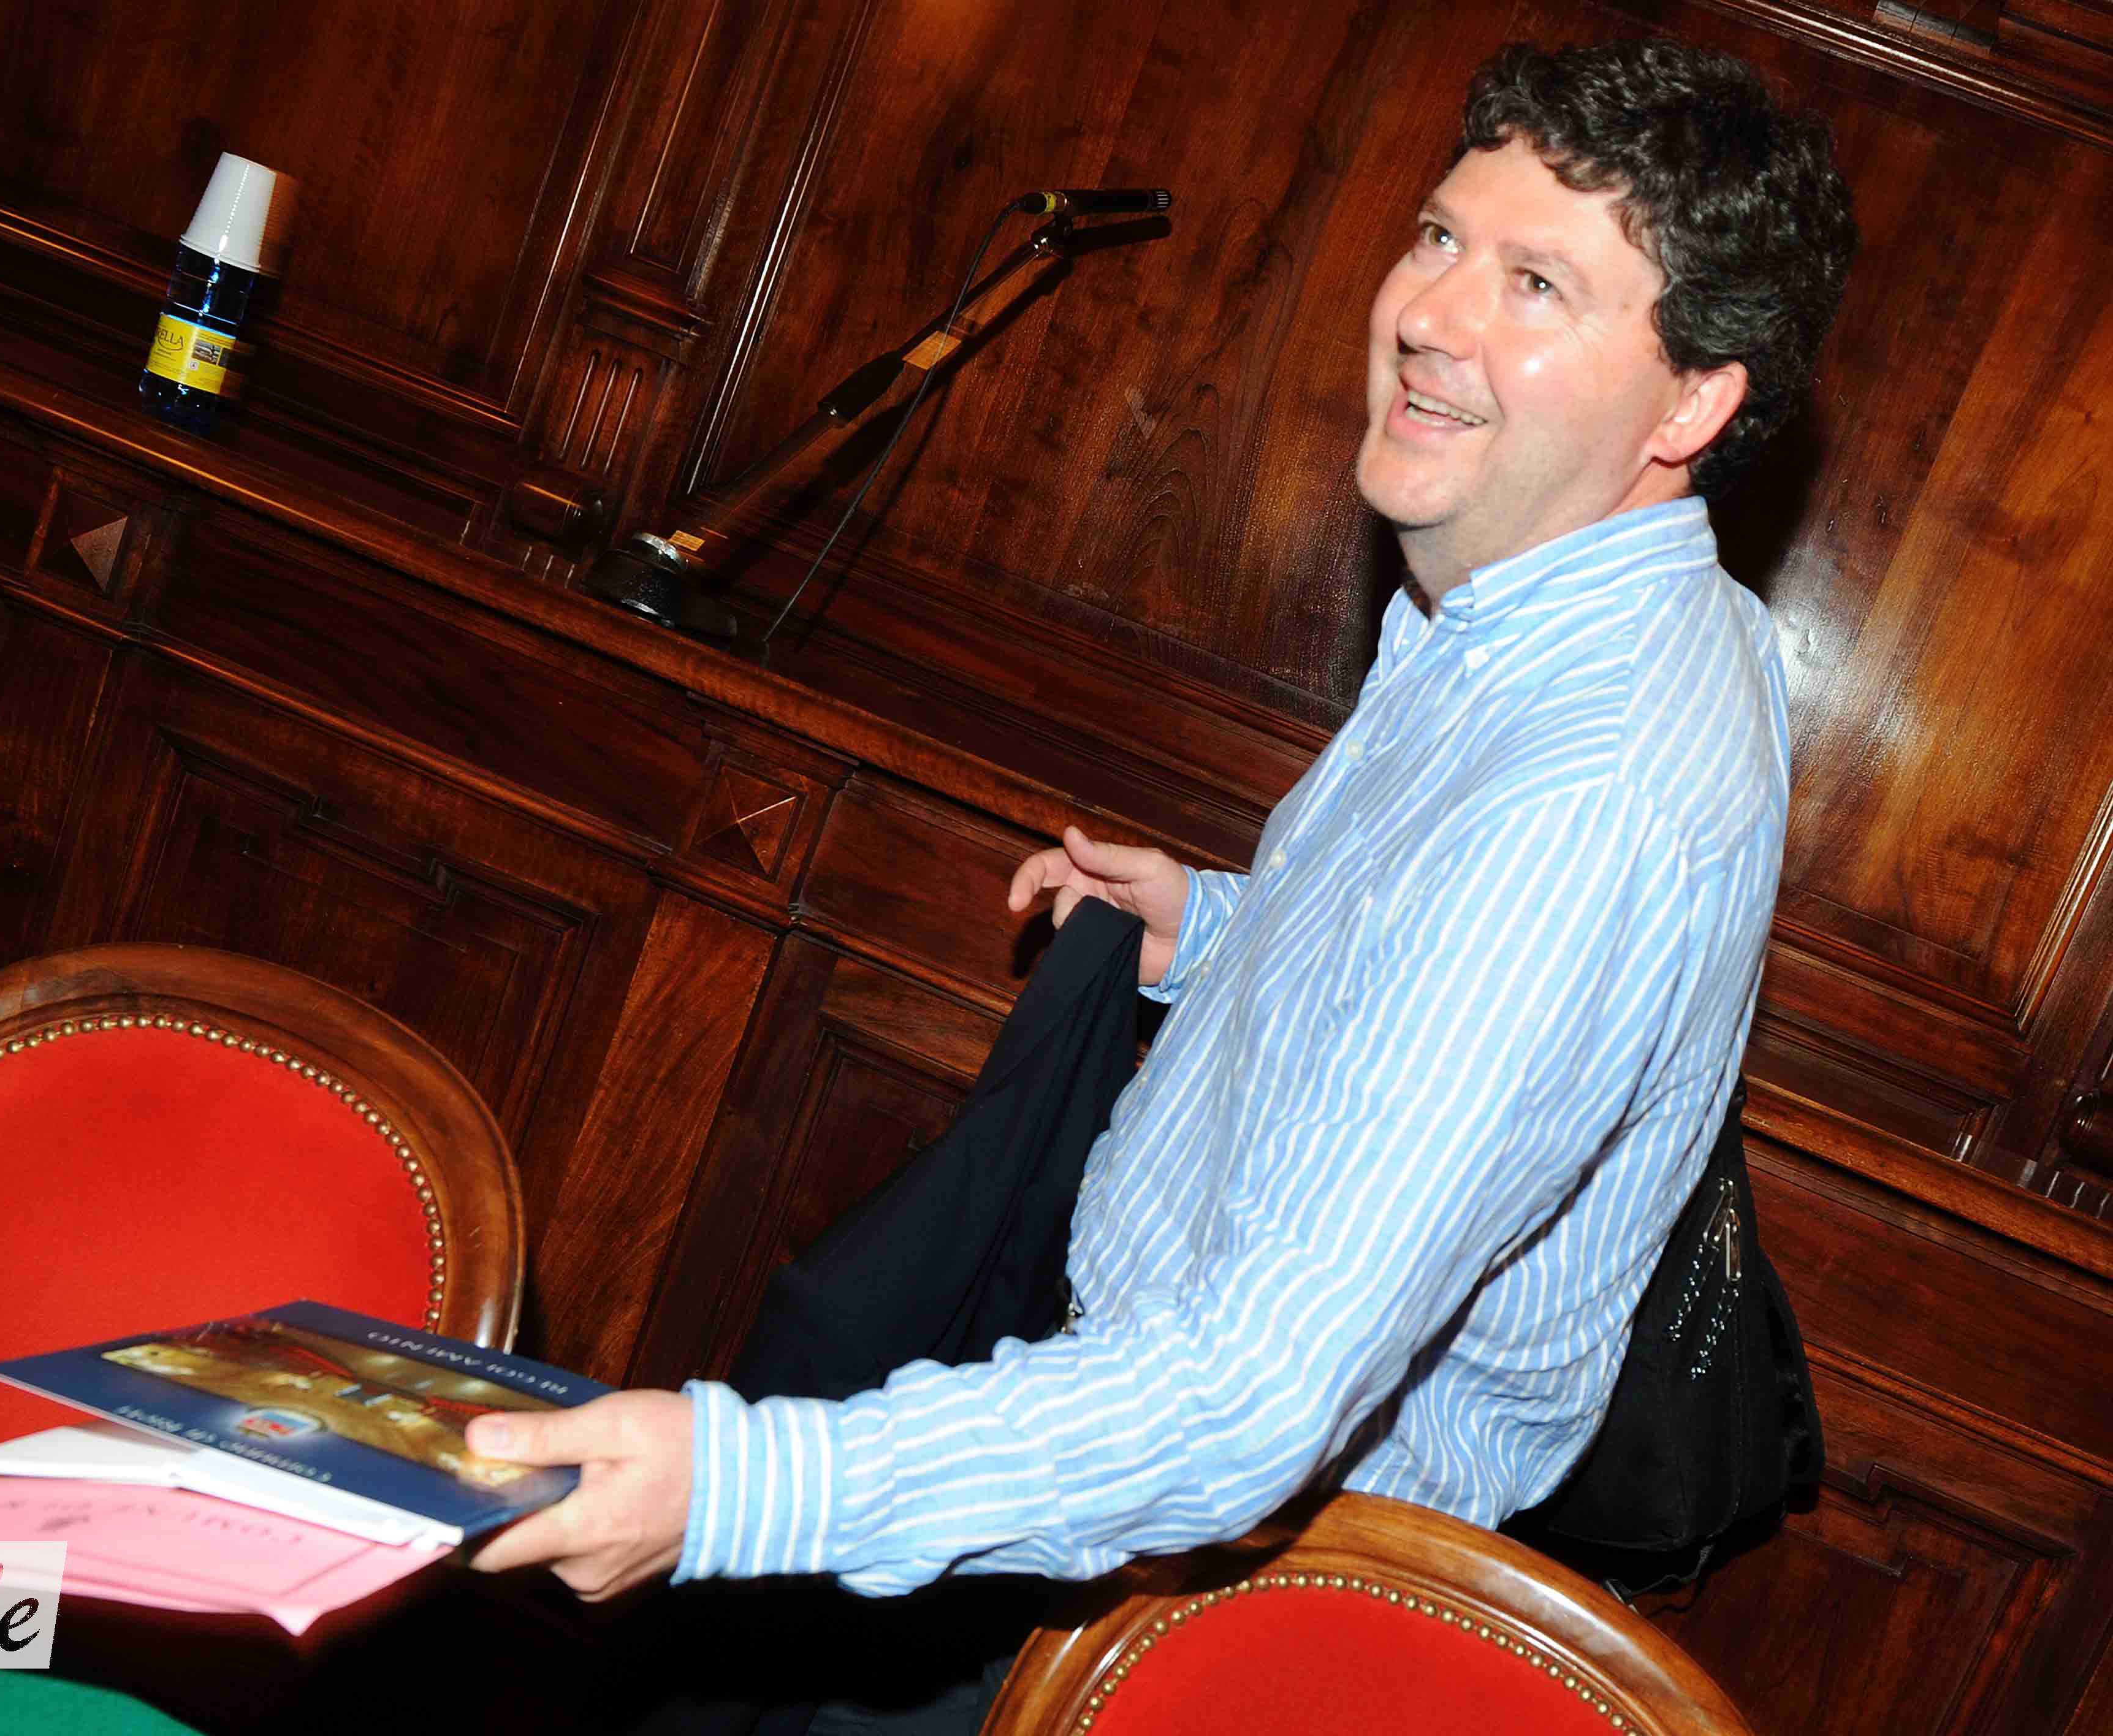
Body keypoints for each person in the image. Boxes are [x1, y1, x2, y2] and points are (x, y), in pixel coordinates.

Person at [466, 34, 1857, 1624]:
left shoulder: (1588, 791)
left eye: (1537, 285)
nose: (1428, 313)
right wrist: (1227, 933)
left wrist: (741, 1487)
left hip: (1206, 1582)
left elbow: (1245, 1402)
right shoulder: (1605, 610)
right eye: (1439, 237)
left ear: (1695, 399)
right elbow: (1448, 978)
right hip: (1138, 1484)